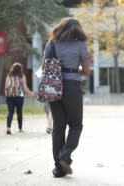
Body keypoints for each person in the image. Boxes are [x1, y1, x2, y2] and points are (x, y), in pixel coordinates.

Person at [42, 17, 91, 178]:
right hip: (71, 86)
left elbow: (44, 66)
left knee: (58, 127)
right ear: (78, 30)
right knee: (76, 125)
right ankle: (65, 154)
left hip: (53, 87)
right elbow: (86, 70)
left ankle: (59, 169)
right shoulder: (80, 45)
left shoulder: (52, 43)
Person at [4, 62, 34, 134]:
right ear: (20, 69)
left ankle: (8, 127)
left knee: (10, 112)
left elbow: (6, 87)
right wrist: (31, 93)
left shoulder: (9, 76)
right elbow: (25, 88)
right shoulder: (22, 76)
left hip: (9, 96)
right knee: (19, 112)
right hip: (19, 97)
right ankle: (20, 129)